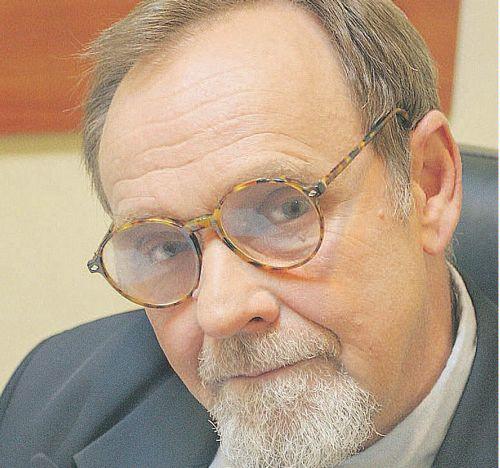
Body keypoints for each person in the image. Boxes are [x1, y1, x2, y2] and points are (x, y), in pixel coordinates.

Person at [0, 0, 496, 467]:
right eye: (164, 246)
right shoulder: (46, 398)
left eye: (284, 209)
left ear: (429, 184)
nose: (220, 312)